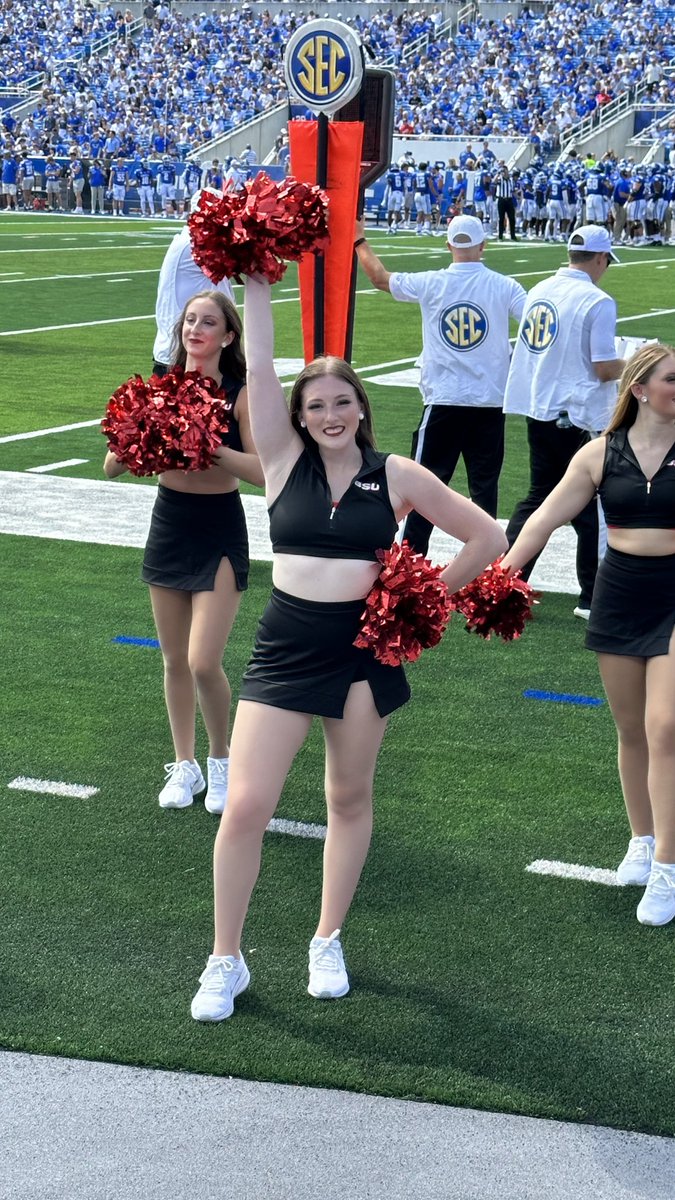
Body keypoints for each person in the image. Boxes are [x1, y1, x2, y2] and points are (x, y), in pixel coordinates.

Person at [190, 273, 506, 1022]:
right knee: (245, 807)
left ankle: (325, 938)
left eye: (341, 402)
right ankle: (223, 959)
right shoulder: (280, 459)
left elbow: (486, 535)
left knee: (348, 797)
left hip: (366, 651)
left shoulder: (393, 473)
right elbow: (260, 366)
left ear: (361, 407)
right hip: (287, 643)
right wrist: (259, 285)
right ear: (296, 416)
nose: (329, 414)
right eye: (315, 405)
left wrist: (424, 598)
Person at [502, 343, 675, 926]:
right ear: (641, 389)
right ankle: (642, 839)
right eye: (672, 380)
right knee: (631, 729)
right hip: (620, 593)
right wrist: (500, 579)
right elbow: (544, 518)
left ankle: (668, 869)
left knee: (665, 726)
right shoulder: (600, 454)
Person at [104, 292, 263, 814]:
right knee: (174, 659)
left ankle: (221, 762)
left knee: (203, 660)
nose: (195, 328)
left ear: (228, 336)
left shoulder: (239, 393)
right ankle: (185, 765)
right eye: (190, 320)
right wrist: (147, 435)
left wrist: (207, 443)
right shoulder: (157, 388)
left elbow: (263, 472)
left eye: (208, 322)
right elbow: (111, 466)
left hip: (218, 527)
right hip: (169, 522)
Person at [354, 214, 526, 553]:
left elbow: (379, 277)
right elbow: (533, 324)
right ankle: (485, 568)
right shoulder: (505, 286)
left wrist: (360, 241)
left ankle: (410, 564)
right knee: (484, 490)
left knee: (425, 488)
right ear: (482, 246)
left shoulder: (432, 282)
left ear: (448, 245)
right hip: (489, 402)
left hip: (444, 400)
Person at [503, 225, 626, 617]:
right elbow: (605, 368)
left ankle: (506, 583)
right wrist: (640, 361)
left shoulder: (539, 289)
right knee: (585, 504)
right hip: (575, 414)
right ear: (601, 258)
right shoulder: (597, 300)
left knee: (546, 499)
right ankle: (591, 595)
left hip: (541, 407)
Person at [151, 192, 235, 375]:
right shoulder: (193, 244)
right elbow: (246, 258)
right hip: (183, 356)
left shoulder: (193, 241)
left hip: (191, 352)